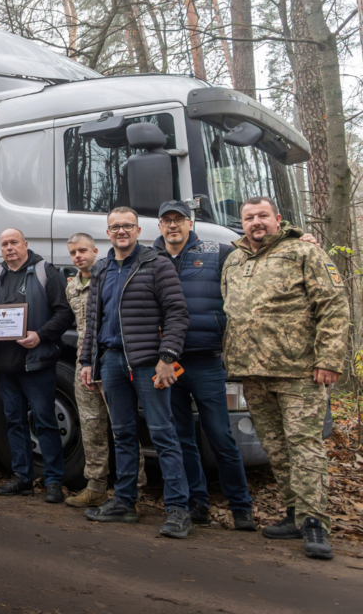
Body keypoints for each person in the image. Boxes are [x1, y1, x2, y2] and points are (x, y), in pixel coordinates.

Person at [222, 197, 349, 560]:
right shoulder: (234, 259)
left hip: (299, 372)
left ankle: (315, 523)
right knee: (276, 448)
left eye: (263, 216)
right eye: (249, 218)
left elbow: (333, 306)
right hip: (252, 374)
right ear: (242, 223)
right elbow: (232, 310)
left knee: (304, 446)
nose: (256, 223)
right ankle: (294, 514)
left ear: (278, 218)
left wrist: (329, 358)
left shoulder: (303, 253)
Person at [79, 207, 193, 538]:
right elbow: (93, 321)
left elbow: (177, 313)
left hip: (148, 363)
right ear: (108, 232)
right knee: (123, 435)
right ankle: (125, 503)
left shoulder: (156, 264)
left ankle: (177, 510)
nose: (121, 231)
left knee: (163, 434)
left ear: (139, 230)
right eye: (115, 227)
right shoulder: (101, 270)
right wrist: (89, 361)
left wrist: (167, 357)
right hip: (112, 362)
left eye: (127, 226)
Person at [152, 201, 255, 531]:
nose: (173, 226)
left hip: (207, 360)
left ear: (189, 222)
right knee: (183, 438)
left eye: (178, 220)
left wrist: (300, 242)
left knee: (221, 437)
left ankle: (241, 507)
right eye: (167, 221)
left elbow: (254, 250)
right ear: (159, 226)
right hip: (167, 364)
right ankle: (198, 504)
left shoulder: (216, 251)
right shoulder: (148, 259)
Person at [0, 229, 73, 503]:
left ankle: (54, 481)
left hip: (37, 364)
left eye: (14, 243)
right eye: (4, 244)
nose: (9, 248)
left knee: (45, 422)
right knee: (14, 423)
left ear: (25, 245)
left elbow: (64, 313)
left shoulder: (45, 271)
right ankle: (23, 479)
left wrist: (40, 335)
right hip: (5, 367)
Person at [63, 233, 146, 508]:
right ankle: (96, 486)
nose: (78, 256)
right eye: (73, 252)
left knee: (123, 428)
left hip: (111, 360)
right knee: (90, 426)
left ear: (95, 250)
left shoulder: (109, 275)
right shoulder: (71, 287)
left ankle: (135, 488)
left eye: (83, 250)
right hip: (84, 365)